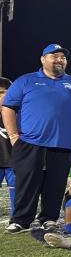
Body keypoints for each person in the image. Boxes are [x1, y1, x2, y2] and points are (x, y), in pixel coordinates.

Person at [1, 43, 71, 233]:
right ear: (43, 59)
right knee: (26, 182)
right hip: (30, 143)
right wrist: (14, 135)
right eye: (54, 56)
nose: (59, 59)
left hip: (63, 144)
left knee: (55, 184)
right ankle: (21, 220)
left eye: (62, 57)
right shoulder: (26, 81)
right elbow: (7, 107)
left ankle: (49, 218)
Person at [0, 77, 14, 214]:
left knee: (16, 191)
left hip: (14, 162)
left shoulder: (19, 113)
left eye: (2, 93)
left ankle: (16, 219)